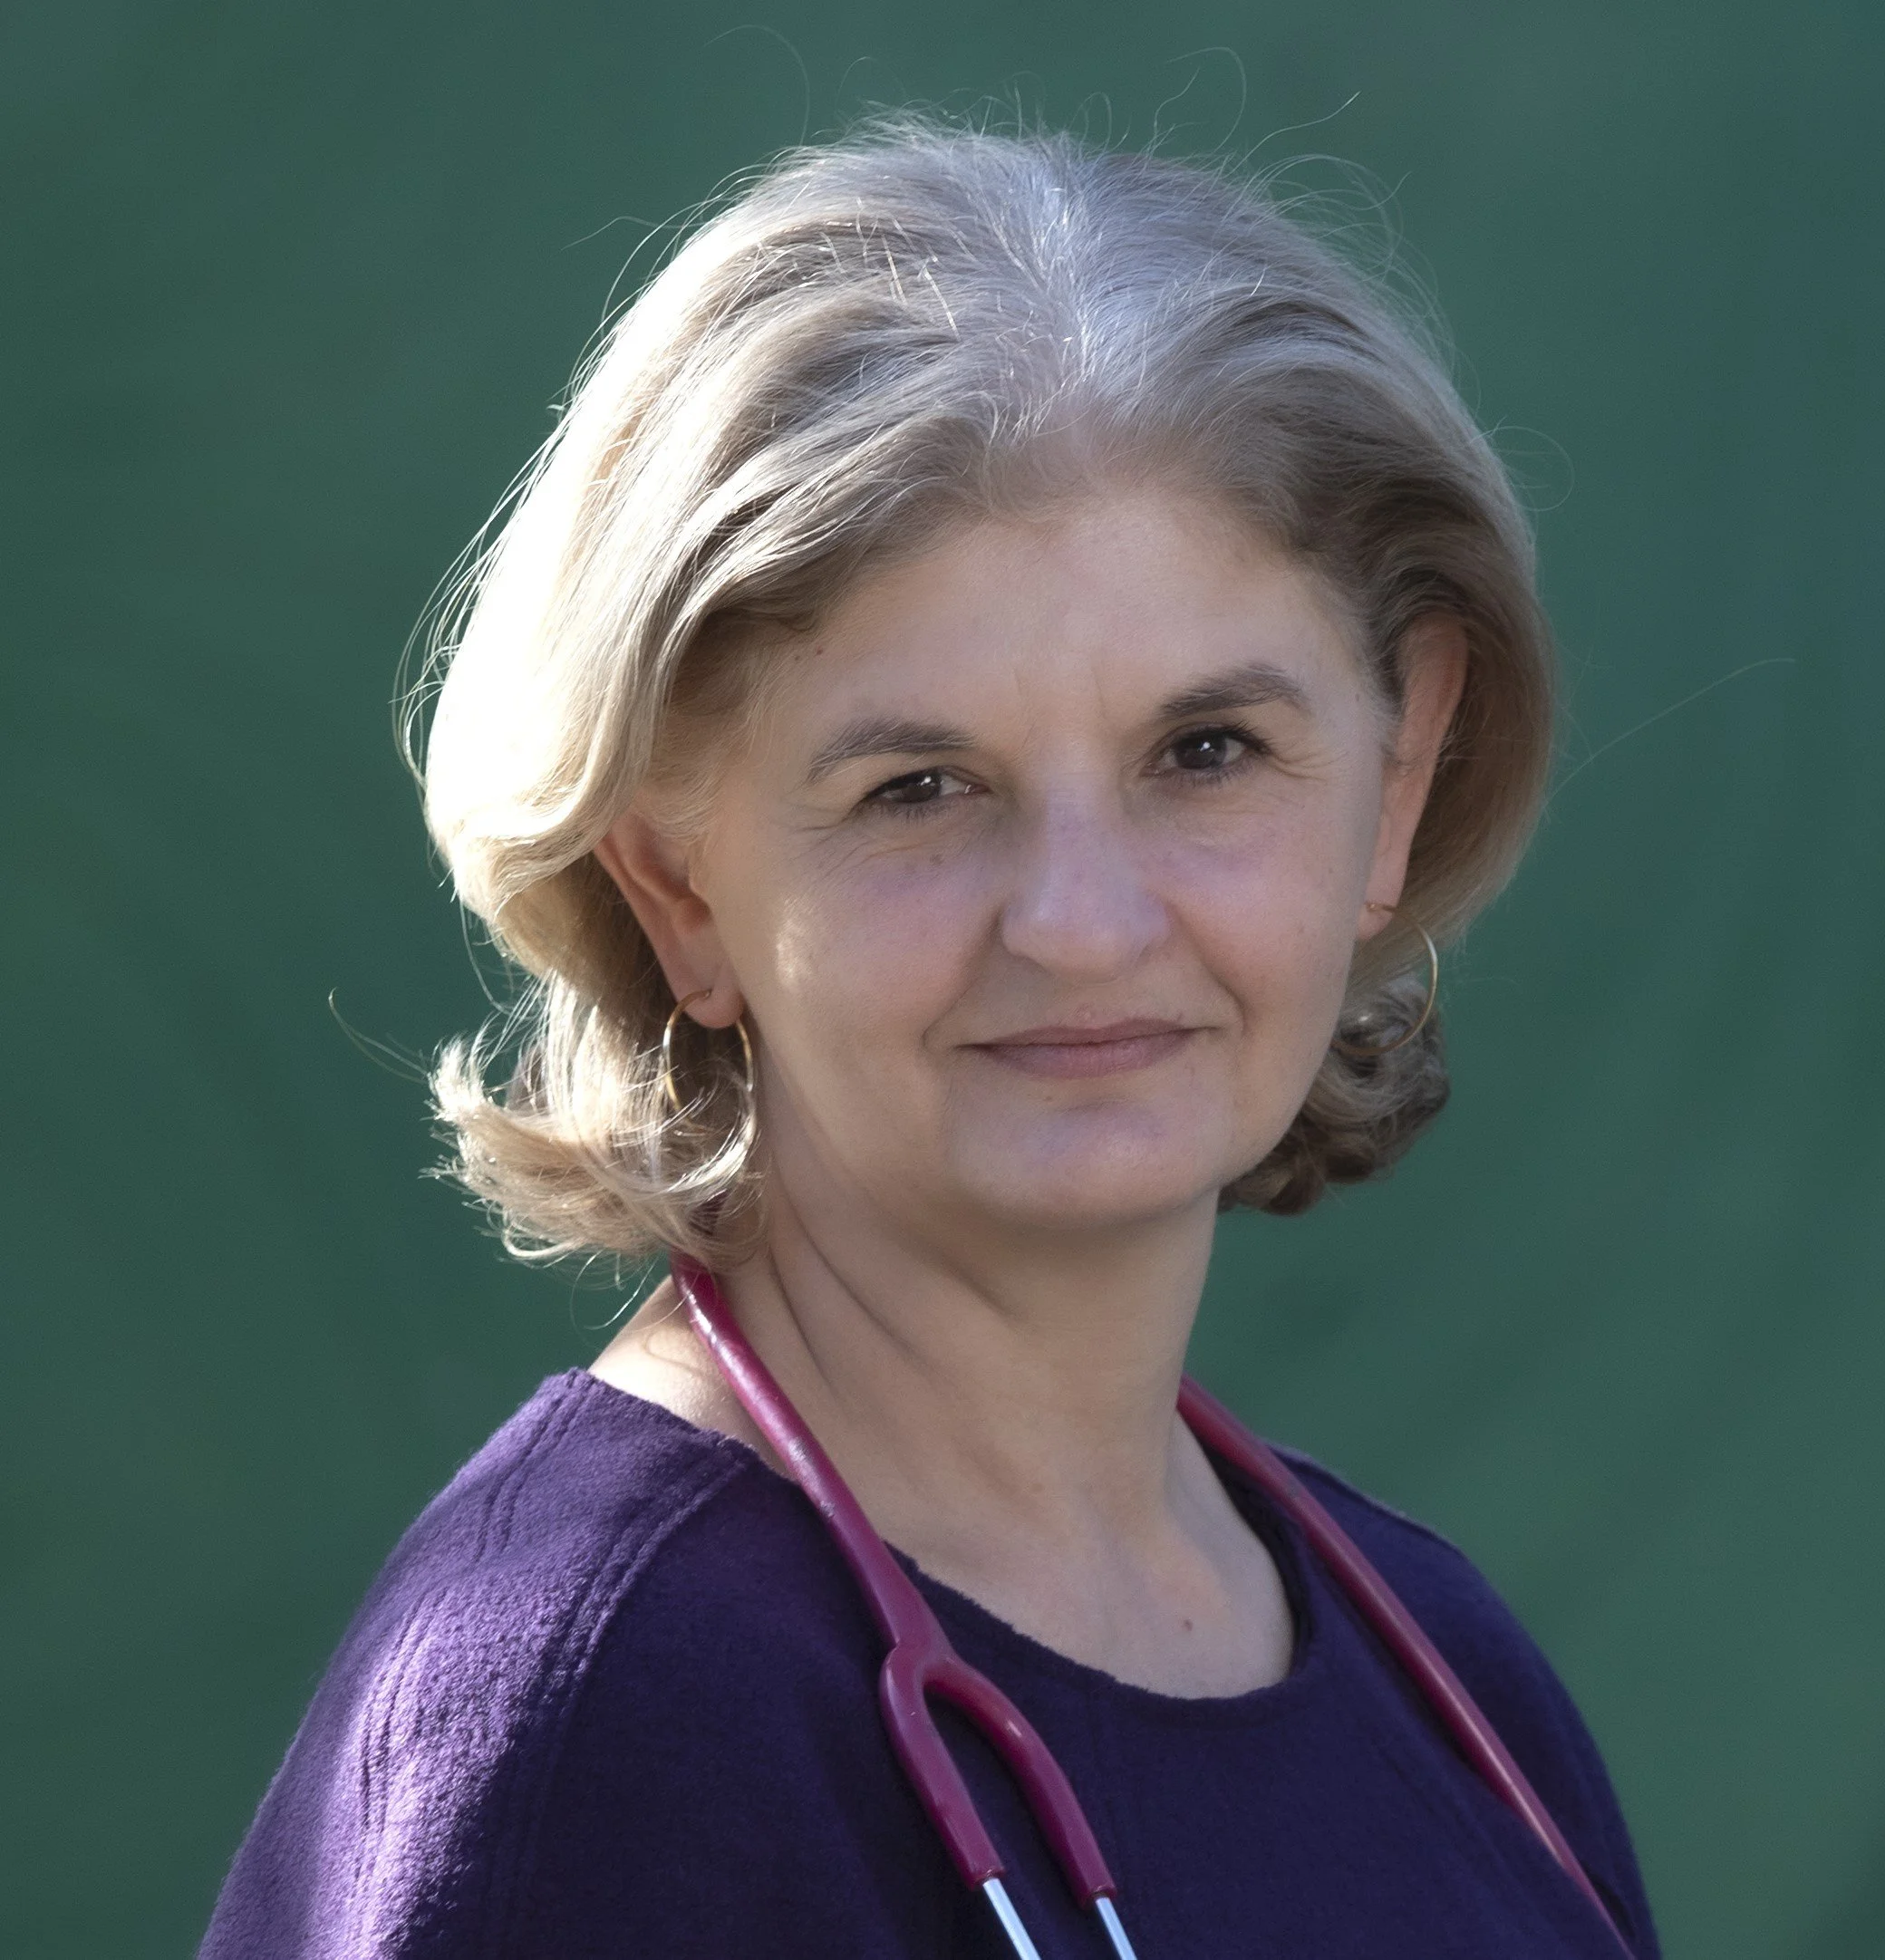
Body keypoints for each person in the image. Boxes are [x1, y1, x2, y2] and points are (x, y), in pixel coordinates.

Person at [200, 121, 1658, 1959]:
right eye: (917, 788)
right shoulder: (594, 1721)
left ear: (1398, 769)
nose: (1078, 918)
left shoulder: (1446, 1679)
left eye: (1202, 753)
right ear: (674, 882)